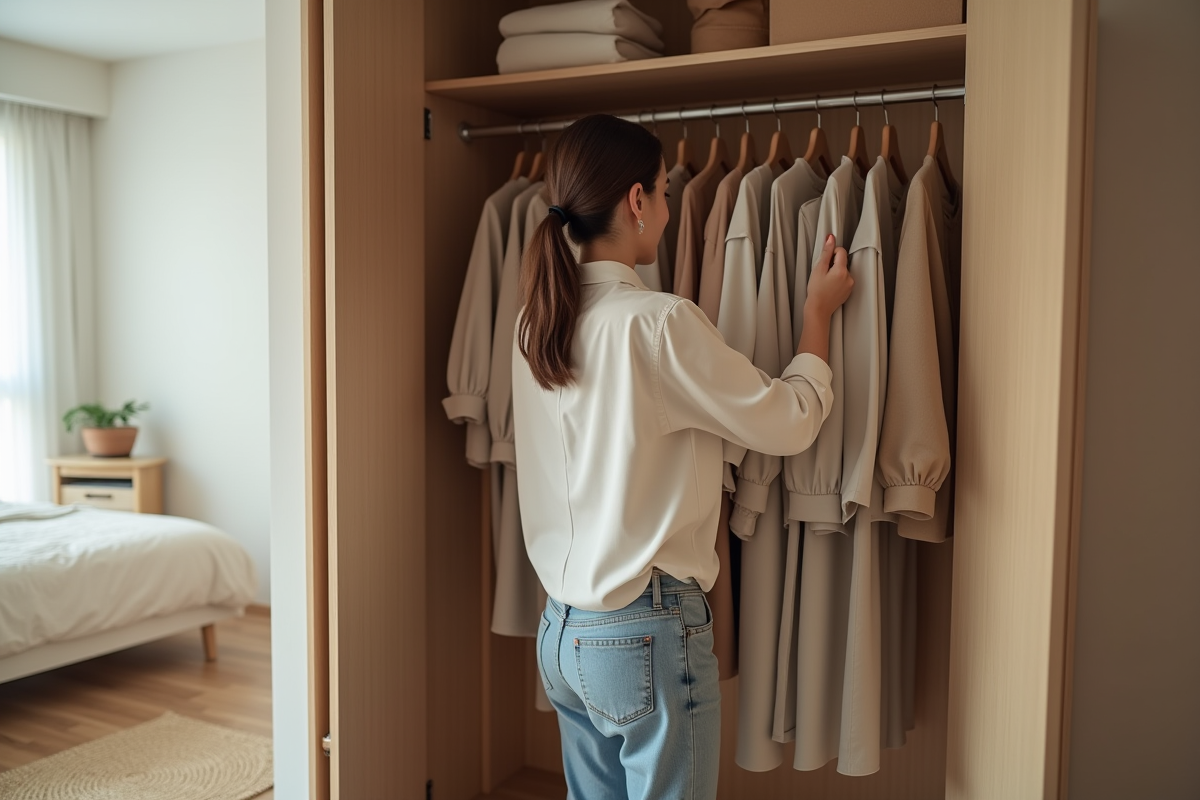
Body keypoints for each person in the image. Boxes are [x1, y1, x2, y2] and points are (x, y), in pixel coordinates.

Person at [511, 114, 853, 800]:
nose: (668, 210)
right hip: (643, 630)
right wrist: (817, 315)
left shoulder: (536, 321)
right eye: (665, 194)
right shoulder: (656, 323)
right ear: (637, 200)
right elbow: (788, 422)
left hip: (562, 633)